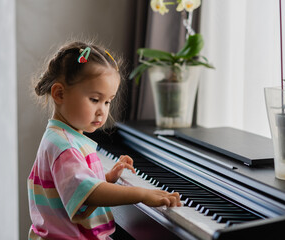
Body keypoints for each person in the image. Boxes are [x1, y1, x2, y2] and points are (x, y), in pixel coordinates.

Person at [27, 41, 181, 240]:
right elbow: (89, 193)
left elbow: (74, 186)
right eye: (94, 99)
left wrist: (107, 178)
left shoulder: (65, 136)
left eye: (108, 101)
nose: (103, 111)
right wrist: (141, 194)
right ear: (60, 93)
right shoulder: (64, 146)